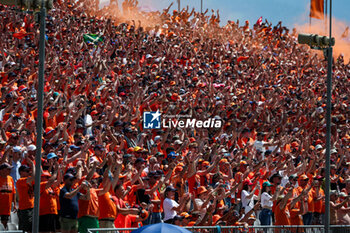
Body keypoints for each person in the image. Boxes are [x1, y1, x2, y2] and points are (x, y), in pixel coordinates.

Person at [16, 161, 35, 233]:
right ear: (21, 172)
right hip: (25, 209)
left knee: (30, 229)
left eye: (28, 171)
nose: (28, 172)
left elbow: (40, 176)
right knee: (26, 230)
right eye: (26, 171)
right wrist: (33, 164)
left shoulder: (28, 181)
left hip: (30, 207)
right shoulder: (20, 181)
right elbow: (33, 177)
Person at [0, 163, 16, 230]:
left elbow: (13, 192)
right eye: (8, 169)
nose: (9, 171)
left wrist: (15, 204)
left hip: (7, 207)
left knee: (4, 224)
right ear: (2, 170)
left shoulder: (10, 178)